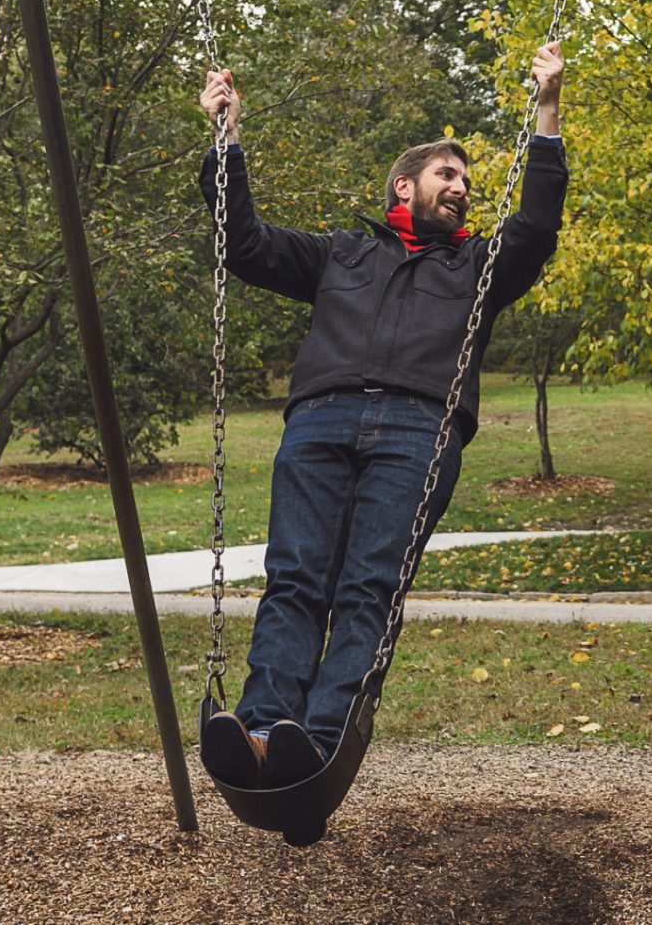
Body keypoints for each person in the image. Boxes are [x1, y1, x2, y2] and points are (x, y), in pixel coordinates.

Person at [193, 41, 568, 830]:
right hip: (322, 419)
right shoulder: (343, 254)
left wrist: (547, 107)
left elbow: (535, 226)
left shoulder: (479, 268)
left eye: (467, 180)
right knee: (296, 580)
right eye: (447, 175)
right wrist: (225, 139)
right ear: (406, 185)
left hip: (419, 430)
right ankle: (263, 737)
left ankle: (315, 751)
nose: (462, 188)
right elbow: (246, 244)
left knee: (367, 589)